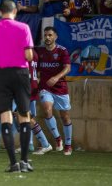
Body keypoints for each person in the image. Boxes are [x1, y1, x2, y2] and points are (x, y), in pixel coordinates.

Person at [0, 0, 34, 173]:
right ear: (15, 11)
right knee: (24, 115)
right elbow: (28, 55)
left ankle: (13, 163)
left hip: (1, 75)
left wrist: (0, 52)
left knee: (5, 116)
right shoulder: (24, 27)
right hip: (20, 73)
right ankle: (25, 161)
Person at [36, 26, 73, 156]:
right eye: (45, 35)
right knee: (47, 110)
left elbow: (67, 68)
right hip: (45, 87)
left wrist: (56, 77)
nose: (47, 37)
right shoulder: (39, 51)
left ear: (55, 37)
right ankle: (58, 139)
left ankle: (68, 145)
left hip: (61, 88)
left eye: (50, 35)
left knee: (65, 117)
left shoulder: (62, 51)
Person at [28, 50, 53, 155]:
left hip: (26, 87)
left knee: (24, 116)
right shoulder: (34, 53)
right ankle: (27, 143)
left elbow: (25, 72)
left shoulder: (23, 52)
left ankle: (45, 144)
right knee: (24, 117)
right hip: (32, 86)